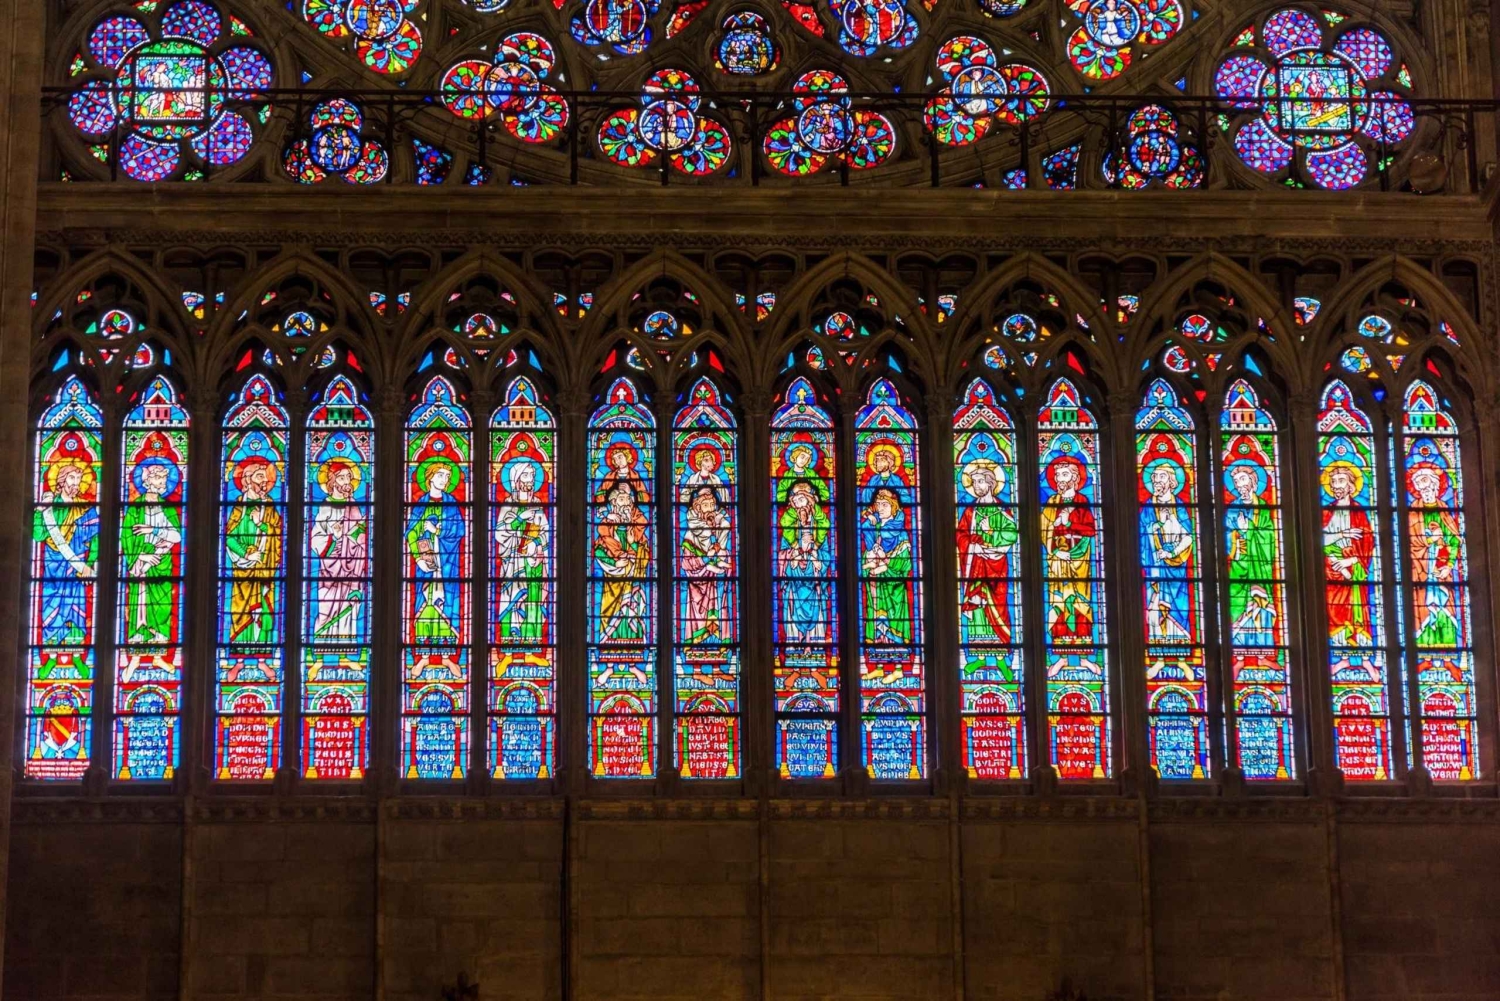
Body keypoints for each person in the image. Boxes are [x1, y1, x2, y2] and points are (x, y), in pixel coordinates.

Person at [120, 454, 183, 682]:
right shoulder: (135, 508)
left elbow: (177, 536)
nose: (162, 483)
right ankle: (135, 659)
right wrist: (141, 556)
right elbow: (126, 537)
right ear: (147, 481)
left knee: (161, 611)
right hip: (141, 567)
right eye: (158, 479)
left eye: (164, 480)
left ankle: (158, 657)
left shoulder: (168, 508)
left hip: (162, 565)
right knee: (139, 611)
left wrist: (153, 531)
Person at [34, 455, 99, 647]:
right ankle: (52, 642)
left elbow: (96, 539)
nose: (76, 483)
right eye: (72, 478)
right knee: (51, 602)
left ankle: (75, 642)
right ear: (61, 480)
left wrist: (89, 564)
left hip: (76, 568)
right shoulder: (51, 508)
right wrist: (40, 511)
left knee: (75, 602)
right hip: (52, 567)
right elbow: (38, 535)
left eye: (78, 479)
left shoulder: (86, 509)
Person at [593, 480, 651, 685]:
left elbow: (645, 550)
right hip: (613, 580)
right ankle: (608, 666)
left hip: (633, 579)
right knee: (609, 617)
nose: (626, 504)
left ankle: (634, 665)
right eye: (622, 500)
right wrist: (615, 561)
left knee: (632, 617)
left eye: (628, 500)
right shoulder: (606, 526)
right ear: (614, 503)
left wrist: (635, 549)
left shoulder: (637, 527)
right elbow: (599, 550)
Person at [404, 456, 466, 643]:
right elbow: (411, 533)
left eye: (447, 476)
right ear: (430, 478)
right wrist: (418, 558)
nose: (444, 480)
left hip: (447, 562)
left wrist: (437, 530)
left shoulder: (451, 503)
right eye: (440, 475)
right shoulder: (421, 504)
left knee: (445, 598)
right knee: (425, 598)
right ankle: (423, 642)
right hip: (426, 562)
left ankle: (446, 643)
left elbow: (460, 530)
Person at [957, 459, 1018, 645]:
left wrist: (991, 532)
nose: (976, 486)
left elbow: (1012, 534)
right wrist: (972, 546)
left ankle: (1001, 646)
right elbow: (960, 535)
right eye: (974, 482)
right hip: (976, 563)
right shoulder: (970, 511)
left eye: (980, 482)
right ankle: (978, 646)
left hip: (996, 564)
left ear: (991, 483)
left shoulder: (1002, 509)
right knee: (976, 601)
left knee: (998, 602)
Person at [224, 454, 283, 646]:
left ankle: (263, 654)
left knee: (264, 612)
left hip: (264, 569)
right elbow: (228, 537)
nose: (265, 481)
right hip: (243, 570)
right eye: (260, 476)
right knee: (242, 612)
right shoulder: (239, 507)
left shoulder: (269, 506)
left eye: (266, 477)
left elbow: (279, 533)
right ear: (248, 480)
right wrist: (246, 554)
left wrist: (262, 524)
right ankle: (240, 655)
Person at [308, 457, 368, 643]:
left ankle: (345, 648)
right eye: (342, 478)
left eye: (349, 478)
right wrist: (334, 538)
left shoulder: (353, 506)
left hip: (351, 569)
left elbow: (362, 537)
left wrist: (355, 535)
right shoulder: (325, 507)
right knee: (326, 610)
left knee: (348, 612)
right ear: (332, 481)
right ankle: (321, 649)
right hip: (330, 570)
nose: (347, 482)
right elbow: (315, 538)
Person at [493, 458, 551, 643]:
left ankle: (532, 640)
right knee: (512, 597)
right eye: (526, 475)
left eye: (532, 475)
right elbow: (499, 534)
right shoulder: (508, 505)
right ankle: (509, 639)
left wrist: (537, 543)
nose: (530, 479)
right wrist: (520, 518)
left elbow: (547, 533)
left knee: (533, 598)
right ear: (516, 480)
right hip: (513, 563)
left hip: (534, 563)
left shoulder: (538, 505)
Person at [1321, 459, 1376, 651]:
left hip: (1353, 569)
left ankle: (1360, 651)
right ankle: (1340, 648)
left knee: (1355, 608)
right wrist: (1342, 535)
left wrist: (1350, 561)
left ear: (1351, 485)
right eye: (1333, 482)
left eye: (1341, 481)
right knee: (1335, 608)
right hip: (1331, 568)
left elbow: (1367, 543)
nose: (1336, 486)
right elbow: (1319, 540)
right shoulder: (1326, 512)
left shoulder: (1359, 513)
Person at [1041, 453, 1097, 643]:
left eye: (1064, 474)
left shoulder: (1082, 502)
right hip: (1057, 560)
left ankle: (1083, 643)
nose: (1059, 479)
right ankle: (1059, 642)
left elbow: (1091, 530)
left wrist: (1069, 522)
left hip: (1079, 560)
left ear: (1074, 477)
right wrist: (1057, 552)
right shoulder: (1051, 503)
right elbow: (1043, 532)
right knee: (1058, 600)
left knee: (1079, 600)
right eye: (1057, 475)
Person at [1140, 457, 1196, 645]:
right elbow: (1140, 535)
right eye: (1155, 477)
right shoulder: (1148, 508)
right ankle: (1158, 642)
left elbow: (1189, 536)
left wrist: (1171, 553)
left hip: (1177, 566)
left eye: (1161, 477)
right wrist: (1156, 526)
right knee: (1155, 605)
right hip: (1155, 566)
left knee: (1178, 606)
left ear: (1171, 481)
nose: (1157, 481)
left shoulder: (1179, 506)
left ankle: (1180, 645)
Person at [1225, 461, 1281, 647]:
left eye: (1243, 480)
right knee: (1238, 604)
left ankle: (1263, 647)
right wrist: (1236, 535)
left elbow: (1269, 535)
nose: (1239, 485)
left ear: (1253, 481)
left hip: (1260, 567)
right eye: (1236, 482)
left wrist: (1247, 529)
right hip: (1239, 565)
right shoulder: (1232, 508)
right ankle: (1240, 649)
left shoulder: (1263, 507)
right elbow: (1226, 535)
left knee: (1260, 604)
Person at [1407, 464, 1462, 650]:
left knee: (1445, 608)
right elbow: (1411, 542)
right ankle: (1424, 647)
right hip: (1421, 569)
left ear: (1435, 484)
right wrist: (1431, 540)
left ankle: (1447, 648)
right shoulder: (1413, 511)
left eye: (1425, 482)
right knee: (1424, 606)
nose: (1423, 488)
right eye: (1419, 484)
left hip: (1442, 569)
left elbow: (1454, 540)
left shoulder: (1443, 509)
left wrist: (1449, 565)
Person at [776, 480, 831, 642]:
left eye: (803, 499)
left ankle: (813, 642)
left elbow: (825, 554)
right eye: (797, 500)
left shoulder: (819, 525)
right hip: (795, 580)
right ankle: (795, 641)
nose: (800, 505)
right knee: (793, 604)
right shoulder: (790, 527)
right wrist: (795, 554)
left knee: (816, 604)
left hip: (813, 579)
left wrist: (815, 557)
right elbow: (783, 553)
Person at [860, 487, 914, 646]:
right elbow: (865, 556)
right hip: (875, 582)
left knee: (893, 619)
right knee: (876, 613)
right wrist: (869, 557)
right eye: (878, 504)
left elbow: (906, 563)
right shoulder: (873, 528)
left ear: (894, 506)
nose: (880, 508)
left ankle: (896, 646)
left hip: (894, 585)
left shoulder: (901, 534)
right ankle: (877, 642)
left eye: (885, 504)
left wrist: (886, 561)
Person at [678, 485, 733, 643]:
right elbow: (686, 564)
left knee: (717, 618)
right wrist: (705, 560)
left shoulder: (717, 531)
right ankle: (697, 648)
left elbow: (723, 552)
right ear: (698, 508)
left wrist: (721, 557)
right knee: (699, 624)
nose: (710, 509)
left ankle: (719, 647)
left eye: (712, 505)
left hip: (714, 585)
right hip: (697, 586)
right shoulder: (691, 536)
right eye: (706, 505)